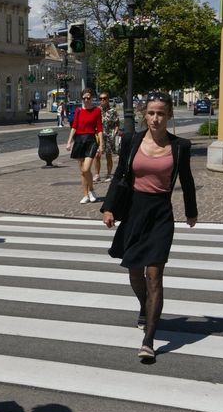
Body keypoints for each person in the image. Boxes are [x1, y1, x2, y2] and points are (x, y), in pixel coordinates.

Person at [101, 92, 198, 365]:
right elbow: (120, 175)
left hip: (160, 215)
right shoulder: (132, 140)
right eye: (152, 113)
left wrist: (191, 212)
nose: (156, 118)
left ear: (169, 116)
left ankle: (149, 340)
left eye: (161, 114)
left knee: (154, 275)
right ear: (146, 114)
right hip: (133, 212)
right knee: (135, 272)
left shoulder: (180, 146)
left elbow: (187, 181)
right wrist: (108, 208)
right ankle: (144, 306)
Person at [66, 90, 103, 204]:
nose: (86, 100)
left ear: (92, 98)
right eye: (84, 98)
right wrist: (69, 142)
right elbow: (74, 127)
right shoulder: (78, 111)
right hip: (79, 141)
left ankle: (91, 189)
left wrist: (101, 144)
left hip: (91, 140)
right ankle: (85, 194)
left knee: (86, 168)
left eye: (88, 98)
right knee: (82, 171)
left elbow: (100, 128)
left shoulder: (97, 111)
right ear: (82, 99)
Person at [95, 92, 120, 181]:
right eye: (101, 98)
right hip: (99, 136)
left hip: (109, 135)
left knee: (108, 155)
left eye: (104, 98)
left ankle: (109, 174)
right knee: (97, 155)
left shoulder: (112, 111)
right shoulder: (97, 110)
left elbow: (117, 123)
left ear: (108, 99)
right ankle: (97, 174)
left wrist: (115, 132)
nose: (102, 100)